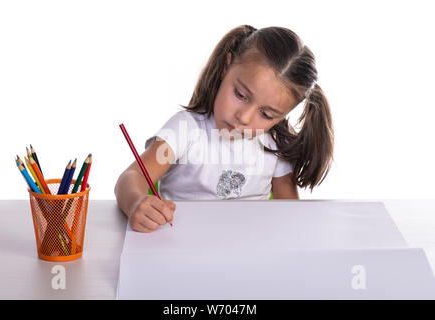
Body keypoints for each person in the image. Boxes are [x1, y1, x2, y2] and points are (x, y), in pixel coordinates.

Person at [115, 25, 334, 233]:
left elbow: (291, 217)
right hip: (183, 251)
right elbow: (130, 178)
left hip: (250, 258)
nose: (244, 117)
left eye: (266, 114)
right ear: (226, 66)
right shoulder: (186, 130)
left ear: (284, 115)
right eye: (240, 95)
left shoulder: (275, 147)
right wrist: (136, 203)